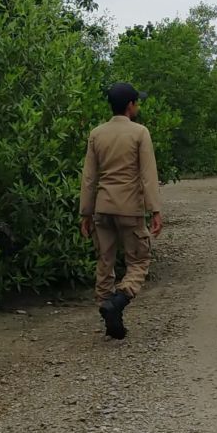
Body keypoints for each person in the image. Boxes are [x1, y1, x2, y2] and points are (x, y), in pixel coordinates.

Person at [79, 82, 163, 340]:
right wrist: (155, 210)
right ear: (130, 105)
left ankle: (109, 315)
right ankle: (118, 301)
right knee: (139, 260)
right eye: (137, 102)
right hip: (130, 208)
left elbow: (89, 177)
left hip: (102, 208)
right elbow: (148, 175)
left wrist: (85, 213)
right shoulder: (140, 133)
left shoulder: (97, 134)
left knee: (105, 262)